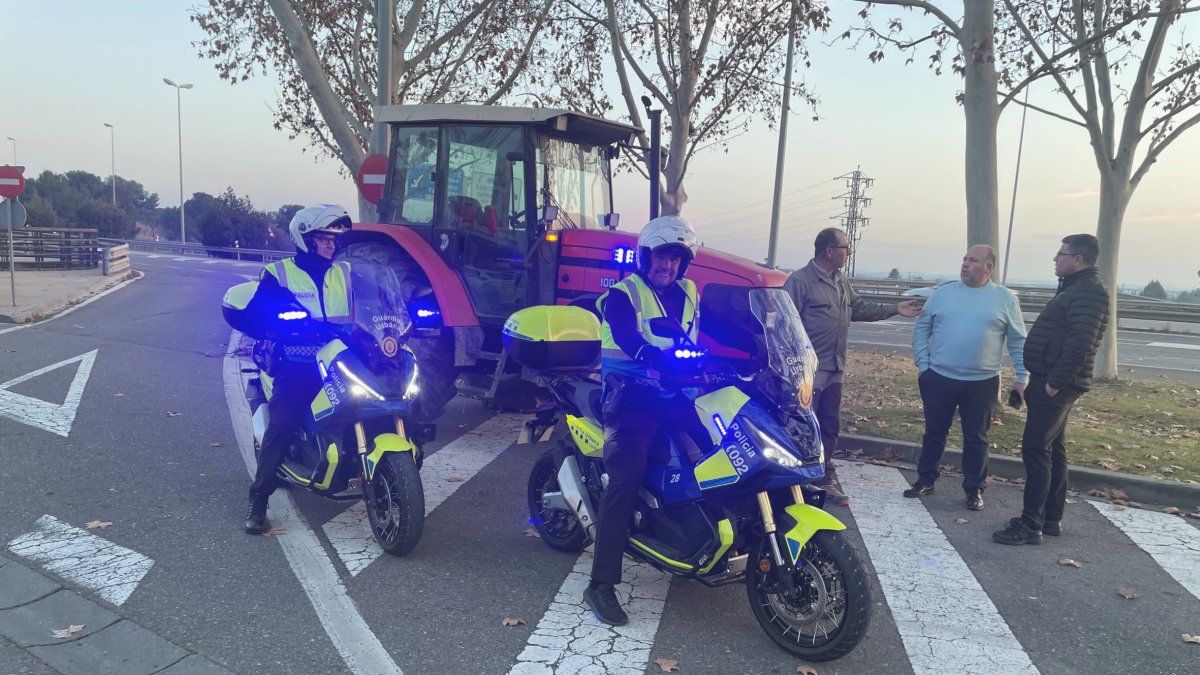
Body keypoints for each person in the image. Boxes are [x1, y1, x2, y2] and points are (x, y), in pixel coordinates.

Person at [584, 215, 709, 626]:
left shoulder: (689, 292)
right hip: (630, 399)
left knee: (719, 451)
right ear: (645, 256)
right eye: (661, 256)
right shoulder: (624, 294)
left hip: (676, 397)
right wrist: (648, 355)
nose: (667, 265)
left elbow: (715, 332)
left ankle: (701, 537)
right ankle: (600, 584)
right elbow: (625, 334)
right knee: (625, 480)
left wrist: (753, 349)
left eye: (675, 258)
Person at [782, 227, 923, 506]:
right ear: (829, 251)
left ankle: (823, 477)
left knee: (829, 426)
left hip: (835, 368)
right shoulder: (800, 281)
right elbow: (785, 325)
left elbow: (858, 308)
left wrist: (895, 309)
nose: (849, 252)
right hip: (808, 372)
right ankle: (795, 480)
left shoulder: (840, 282)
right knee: (804, 427)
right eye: (845, 247)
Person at [242, 204, 353, 534]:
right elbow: (261, 310)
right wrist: (282, 318)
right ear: (305, 239)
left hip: (342, 358)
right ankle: (259, 499)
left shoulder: (346, 272)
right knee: (284, 422)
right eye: (324, 239)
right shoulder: (279, 274)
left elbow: (374, 299)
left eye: (334, 239)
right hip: (297, 361)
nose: (331, 245)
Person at [993, 234, 1109, 546]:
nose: (1055, 260)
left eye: (1061, 255)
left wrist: (1055, 382)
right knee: (1054, 449)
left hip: (1056, 384)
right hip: (1050, 379)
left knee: (1036, 449)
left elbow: (1080, 342)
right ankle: (1049, 518)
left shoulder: (1088, 291)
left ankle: (1031, 525)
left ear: (1078, 259)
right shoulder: (1076, 287)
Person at [903, 245, 1028, 511]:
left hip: (983, 382)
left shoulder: (1005, 299)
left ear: (988, 267)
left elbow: (1018, 340)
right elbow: (922, 329)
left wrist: (1022, 375)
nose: (965, 264)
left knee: (976, 437)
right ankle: (925, 480)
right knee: (934, 432)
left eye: (973, 260)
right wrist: (924, 366)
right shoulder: (943, 294)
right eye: (964, 259)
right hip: (939, 377)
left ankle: (974, 488)